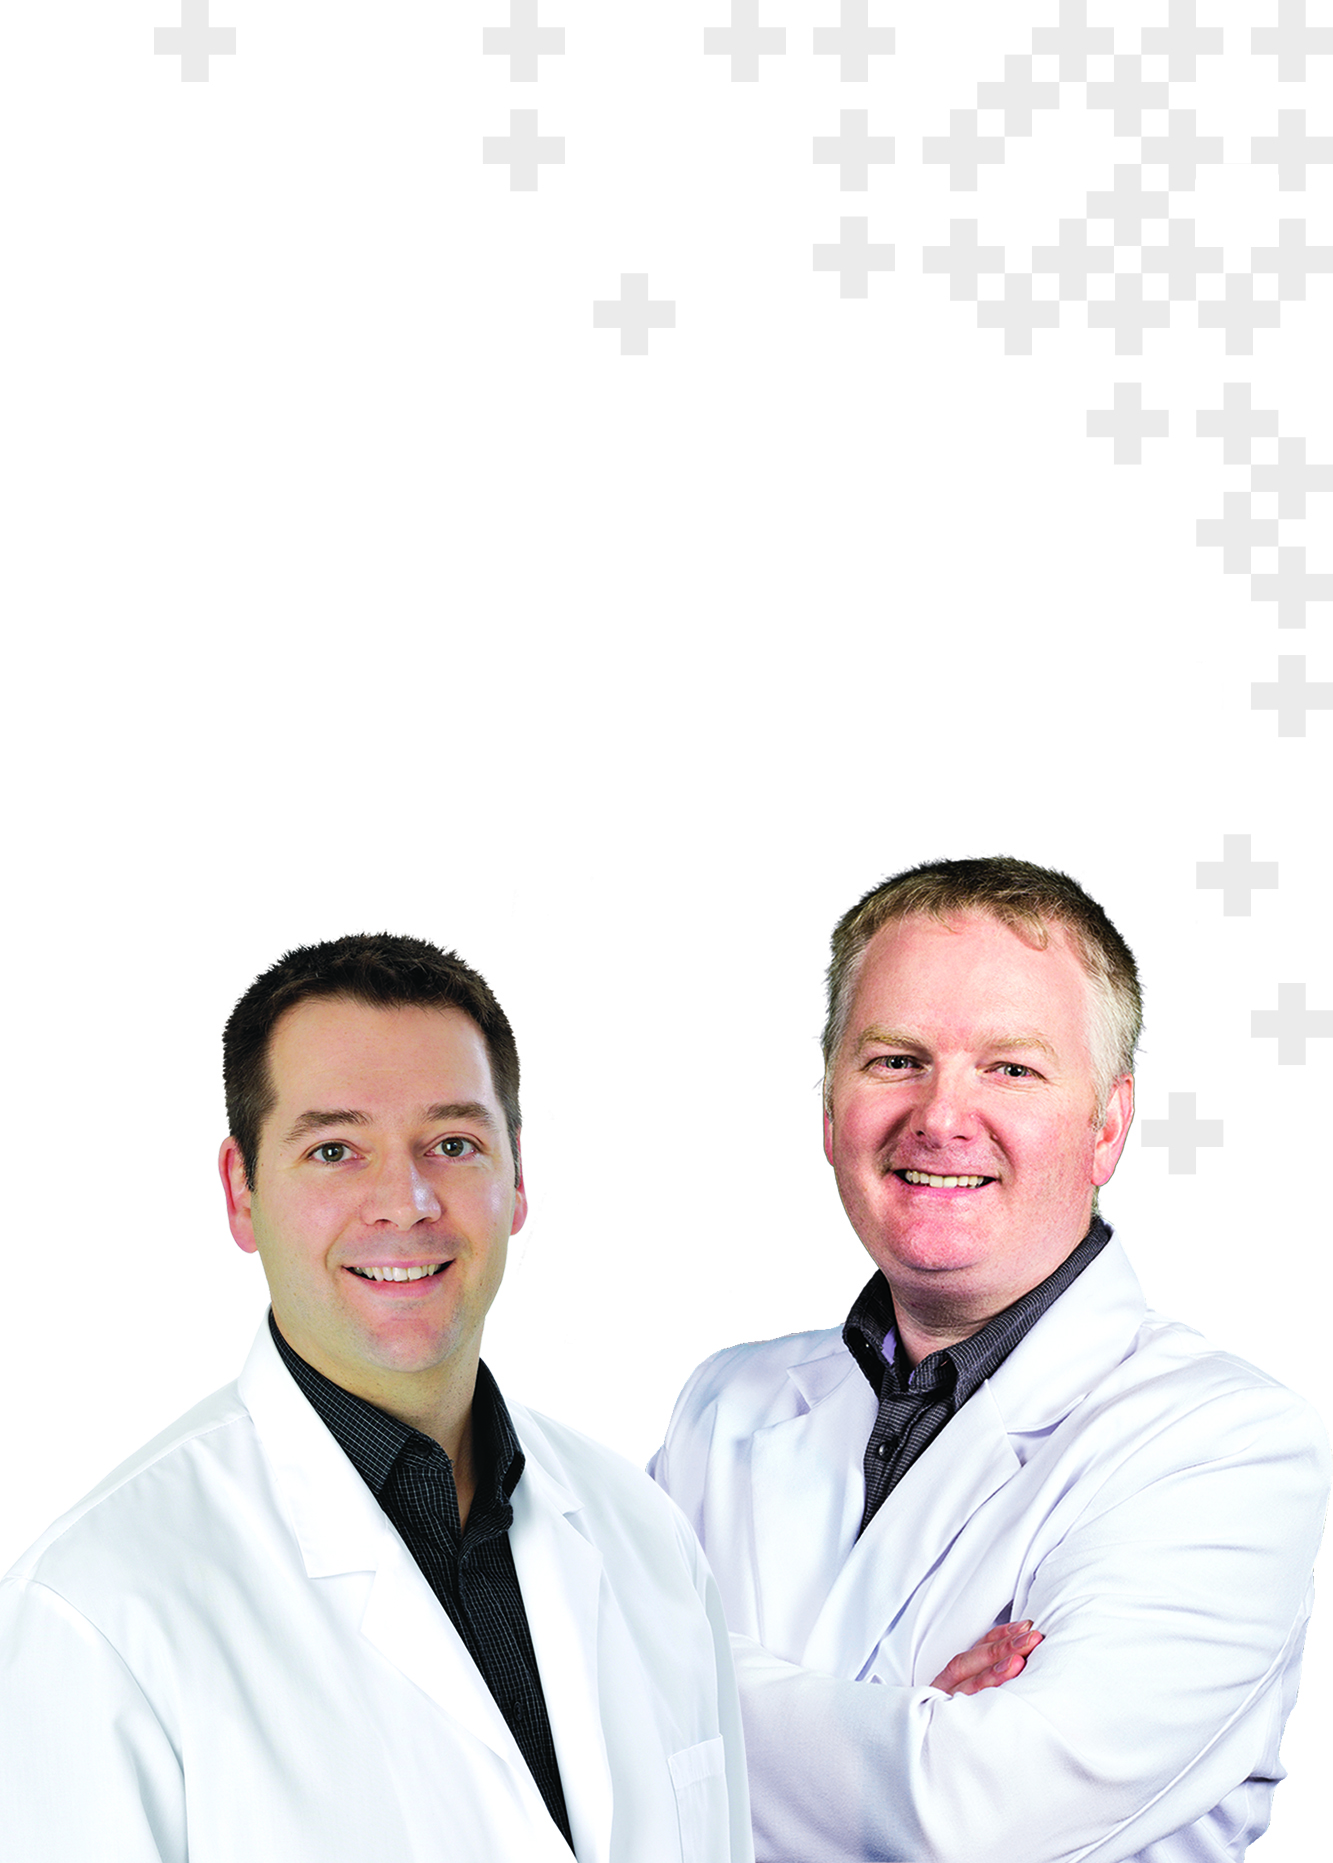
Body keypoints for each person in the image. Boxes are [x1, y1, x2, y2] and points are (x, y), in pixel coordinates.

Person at [1, 933, 751, 1863]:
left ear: (517, 1175)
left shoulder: (645, 1536)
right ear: (241, 1191)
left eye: (452, 1144)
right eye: (334, 1149)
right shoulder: (95, 1608)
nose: (406, 1201)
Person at [651, 856, 1330, 1863]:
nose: (938, 1116)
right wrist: (908, 1732)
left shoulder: (1229, 1446)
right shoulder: (727, 1402)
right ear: (829, 1108)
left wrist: (659, 1693)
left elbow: (975, 1817)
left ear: (1106, 1124)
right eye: (894, 1059)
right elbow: (544, 1740)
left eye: (1010, 1068)